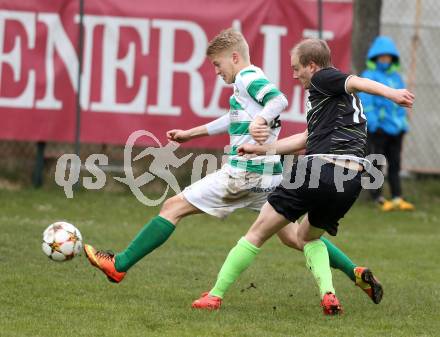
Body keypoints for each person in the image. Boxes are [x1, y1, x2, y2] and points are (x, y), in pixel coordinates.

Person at [83, 29, 381, 304]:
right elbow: (232, 118)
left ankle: (118, 265)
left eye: (217, 64)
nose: (216, 71)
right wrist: (191, 133)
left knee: (172, 208)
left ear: (234, 57)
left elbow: (277, 100)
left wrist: (262, 121)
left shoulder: (246, 77)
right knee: (296, 237)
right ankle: (354, 272)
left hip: (244, 173)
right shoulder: (249, 82)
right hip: (269, 175)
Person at [192, 38, 414, 315]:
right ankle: (329, 295)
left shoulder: (323, 79)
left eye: (297, 68)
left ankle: (214, 295)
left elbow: (356, 80)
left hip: (318, 170)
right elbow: (303, 140)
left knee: (257, 233)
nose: (294, 75)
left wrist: (392, 93)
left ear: (312, 65)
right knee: (307, 237)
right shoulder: (335, 103)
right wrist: (260, 149)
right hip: (351, 181)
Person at [359, 36, 415, 211]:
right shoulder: (369, 76)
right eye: (381, 57)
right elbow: (366, 101)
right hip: (378, 130)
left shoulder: (396, 77)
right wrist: (374, 122)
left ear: (392, 58)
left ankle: (397, 196)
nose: (385, 60)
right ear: (375, 58)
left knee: (395, 163)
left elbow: (402, 101)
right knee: (376, 163)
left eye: (388, 57)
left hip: (396, 129)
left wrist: (402, 123)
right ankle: (377, 197)